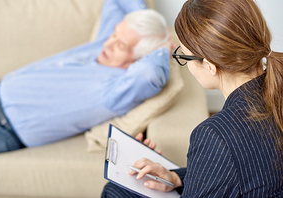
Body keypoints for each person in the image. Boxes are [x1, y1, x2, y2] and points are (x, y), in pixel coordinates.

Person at [101, 0, 283, 197]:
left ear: (210, 65)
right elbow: (243, 174)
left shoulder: (215, 135)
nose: (185, 63)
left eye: (184, 56)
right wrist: (176, 178)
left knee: (114, 191)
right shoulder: (276, 91)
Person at [0, 0, 173, 154]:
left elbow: (148, 72)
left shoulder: (117, 89)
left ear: (140, 57)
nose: (108, 43)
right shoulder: (105, 44)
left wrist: (163, 47)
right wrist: (143, 19)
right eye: (114, 34)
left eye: (121, 45)